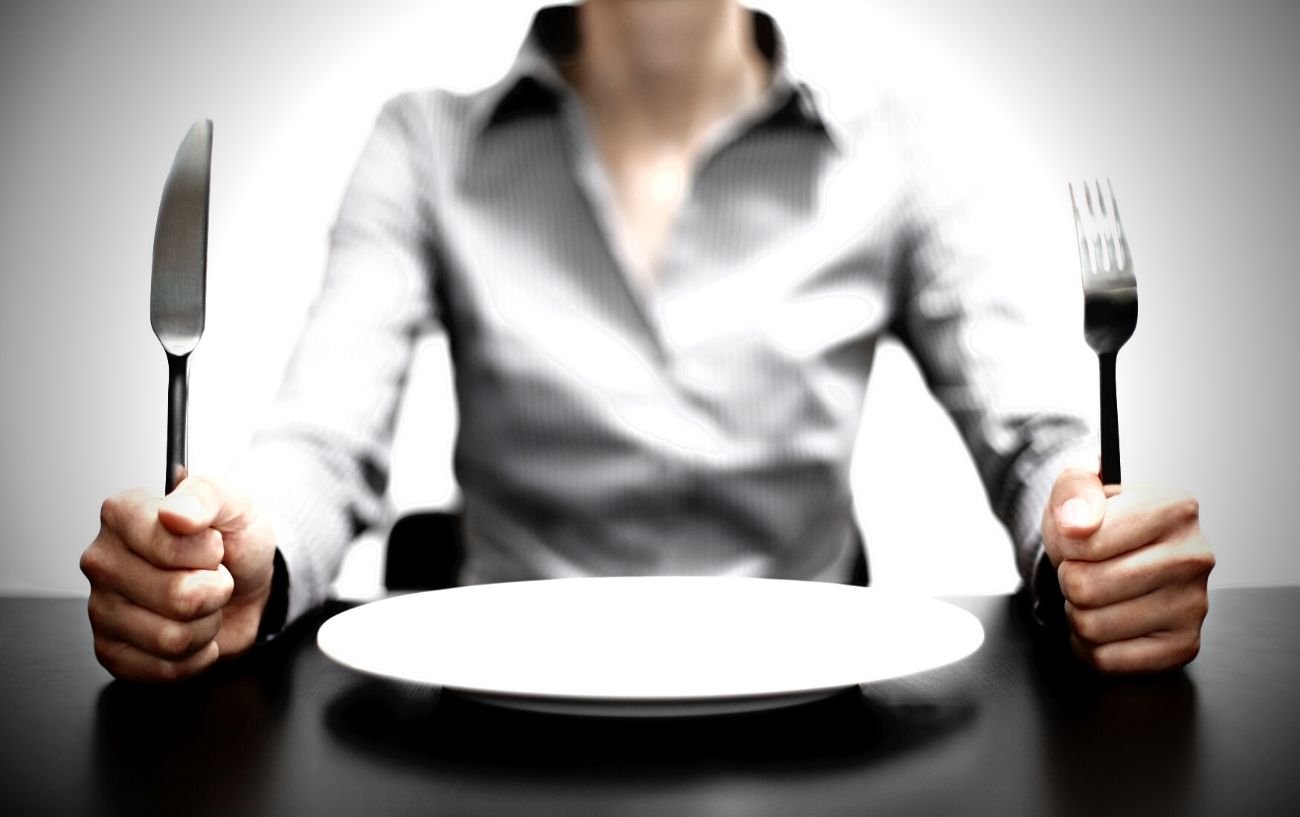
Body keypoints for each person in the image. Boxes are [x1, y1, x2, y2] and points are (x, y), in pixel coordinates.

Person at [80, 0, 1213, 682]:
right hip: (492, 722)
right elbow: (319, 444)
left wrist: (1089, 546)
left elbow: (1034, 446)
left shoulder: (897, 148)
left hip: (814, 729)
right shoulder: (424, 142)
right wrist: (236, 557)